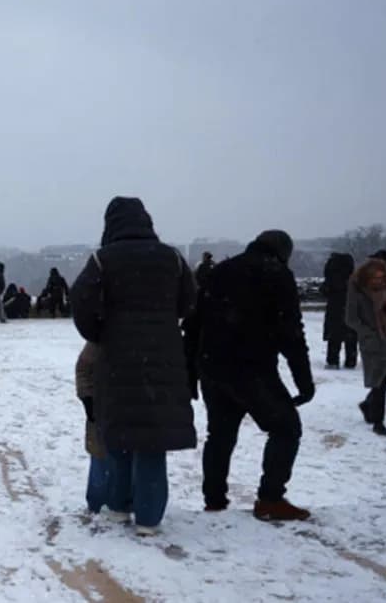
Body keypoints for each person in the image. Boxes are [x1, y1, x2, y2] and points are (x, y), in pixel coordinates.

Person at [72, 197, 197, 536]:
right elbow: (189, 301)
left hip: (117, 356)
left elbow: (81, 301)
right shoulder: (172, 257)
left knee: (119, 433)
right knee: (153, 439)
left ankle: (118, 505)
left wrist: (100, 332)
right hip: (164, 357)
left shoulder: (103, 259)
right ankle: (149, 517)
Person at [185, 230, 314, 521]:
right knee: (286, 428)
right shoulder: (277, 274)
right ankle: (270, 499)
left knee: (220, 435)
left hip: (213, 365)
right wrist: (304, 382)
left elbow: (194, 323)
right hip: (252, 368)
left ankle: (214, 501)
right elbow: (291, 332)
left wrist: (191, 371)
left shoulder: (220, 271)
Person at [345, 258, 386, 437]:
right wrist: (368, 333)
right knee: (380, 379)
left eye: (382, 277)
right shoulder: (357, 290)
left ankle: (368, 404)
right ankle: (378, 421)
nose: (379, 280)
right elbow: (351, 318)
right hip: (373, 341)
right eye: (375, 277)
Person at [76, 341, 109, 514]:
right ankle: (97, 504)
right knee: (100, 455)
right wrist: (88, 400)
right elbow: (83, 368)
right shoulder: (100, 337)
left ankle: (124, 502)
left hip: (133, 409)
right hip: (101, 407)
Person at [323, 252, 358, 369]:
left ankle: (333, 360)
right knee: (351, 337)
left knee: (334, 336)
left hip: (335, 308)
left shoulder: (332, 277)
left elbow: (325, 290)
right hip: (351, 309)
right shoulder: (353, 280)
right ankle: (351, 360)